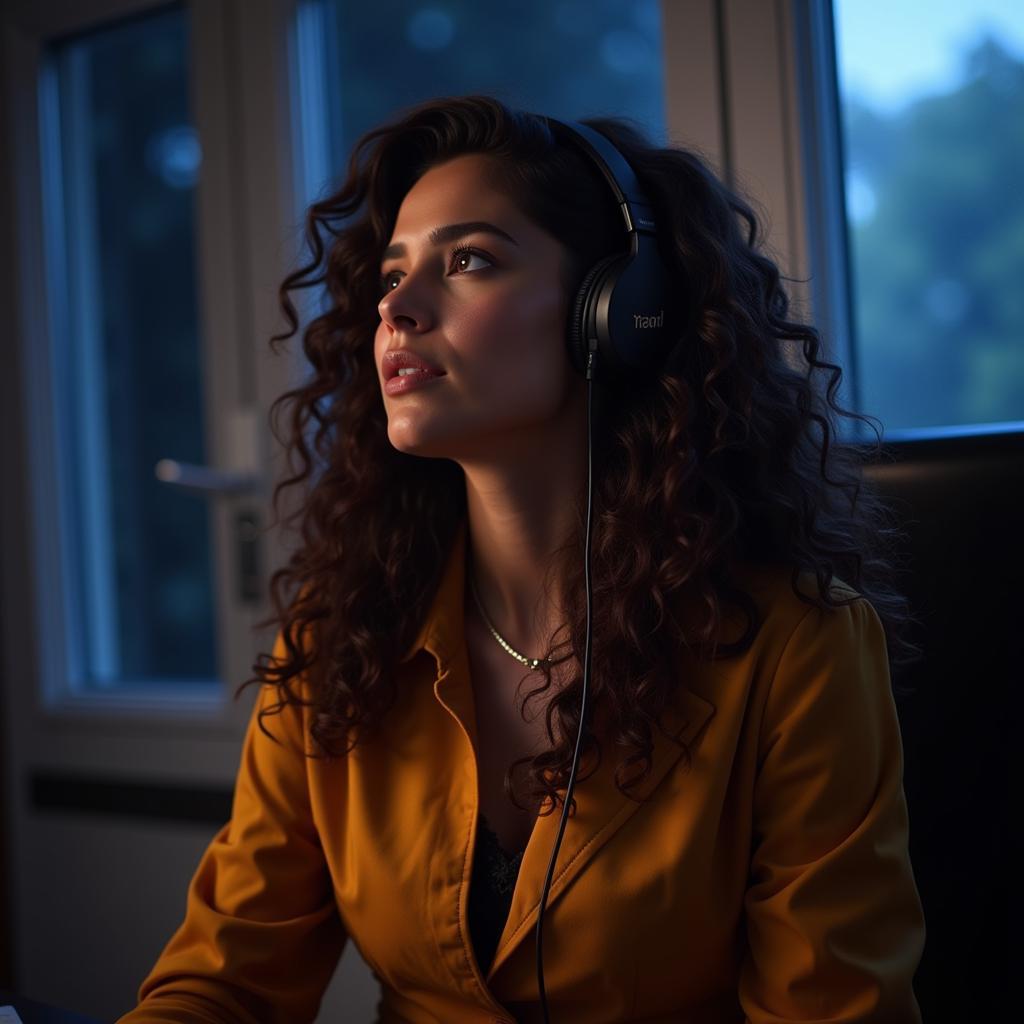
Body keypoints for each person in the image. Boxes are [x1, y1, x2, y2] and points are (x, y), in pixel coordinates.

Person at [117, 94, 926, 1023]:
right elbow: (223, 982)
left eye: (467, 261)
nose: (397, 308)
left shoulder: (797, 648)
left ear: (621, 314)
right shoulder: (338, 643)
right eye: (392, 274)